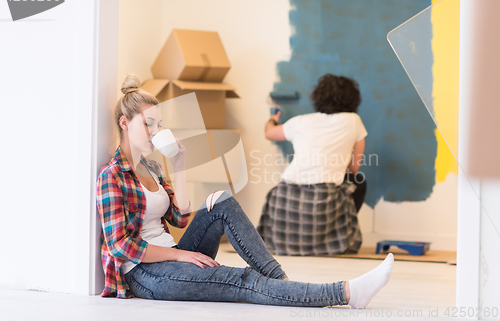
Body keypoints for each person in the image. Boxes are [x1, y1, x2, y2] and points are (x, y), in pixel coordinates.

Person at [96, 74, 393, 308]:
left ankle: (282, 282)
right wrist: (180, 257)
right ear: (125, 123)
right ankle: (347, 293)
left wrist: (180, 165)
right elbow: (120, 246)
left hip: (172, 254)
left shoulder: (153, 167)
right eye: (148, 124)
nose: (156, 132)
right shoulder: (111, 177)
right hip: (145, 273)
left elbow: (180, 219)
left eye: (159, 124)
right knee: (241, 279)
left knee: (221, 201)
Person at [258, 74, 367, 256]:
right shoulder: (353, 121)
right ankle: (335, 235)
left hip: (283, 200)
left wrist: (273, 119)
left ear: (318, 98)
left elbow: (269, 133)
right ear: (352, 100)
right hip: (322, 202)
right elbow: (354, 170)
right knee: (359, 182)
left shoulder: (301, 121)